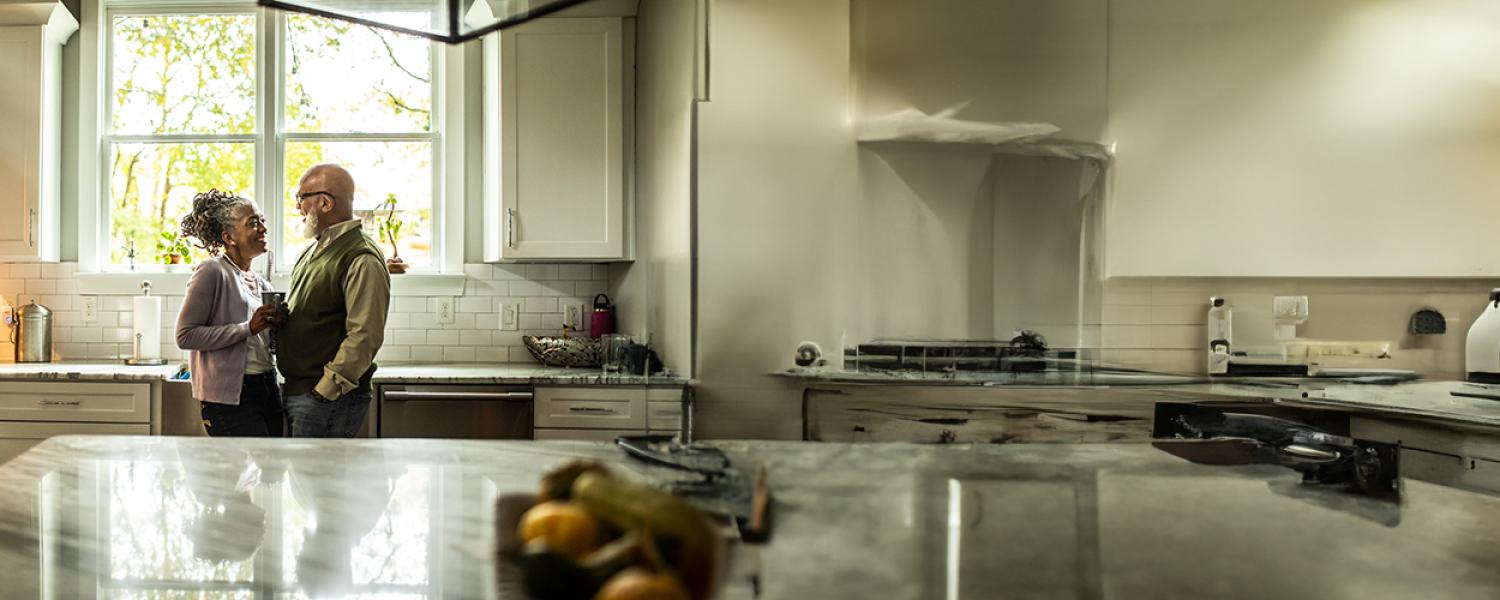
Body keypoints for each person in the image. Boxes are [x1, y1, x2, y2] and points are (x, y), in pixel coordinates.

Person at [279, 164, 391, 437]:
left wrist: (325, 391)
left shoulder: (361, 257)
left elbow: (364, 336)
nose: (298, 209)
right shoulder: (314, 250)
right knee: (305, 479)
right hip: (303, 392)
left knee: (316, 480)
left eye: (301, 199)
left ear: (325, 202)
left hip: (325, 399)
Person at [176, 190, 286, 437]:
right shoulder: (212, 272)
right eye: (253, 223)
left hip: (267, 385)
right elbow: (185, 336)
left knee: (272, 471)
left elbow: (260, 344)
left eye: (262, 222)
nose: (263, 229)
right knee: (235, 472)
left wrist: (276, 325)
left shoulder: (262, 284)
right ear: (229, 236)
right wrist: (248, 327)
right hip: (230, 398)